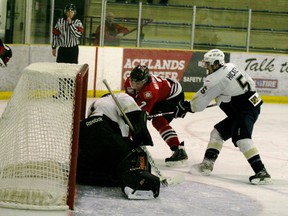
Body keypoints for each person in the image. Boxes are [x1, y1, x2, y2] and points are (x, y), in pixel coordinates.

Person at [175, 49, 271, 185]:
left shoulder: (214, 79)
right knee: (217, 133)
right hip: (249, 105)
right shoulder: (231, 66)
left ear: (215, 64)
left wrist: (187, 107)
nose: (206, 67)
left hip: (244, 110)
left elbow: (199, 103)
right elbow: (250, 83)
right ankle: (207, 165)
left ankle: (261, 172)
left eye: (208, 64)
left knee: (242, 138)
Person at [76, 93, 160, 199]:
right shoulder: (119, 97)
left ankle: (82, 176)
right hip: (101, 128)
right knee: (137, 154)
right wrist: (142, 135)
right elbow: (135, 116)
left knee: (107, 165)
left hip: (82, 132)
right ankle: (137, 185)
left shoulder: (95, 106)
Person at [124, 65, 188, 166]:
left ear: (145, 81)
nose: (135, 85)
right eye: (133, 82)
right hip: (161, 94)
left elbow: (140, 117)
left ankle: (178, 150)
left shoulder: (150, 91)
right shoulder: (128, 82)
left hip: (172, 96)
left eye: (139, 83)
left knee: (158, 120)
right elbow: (130, 102)